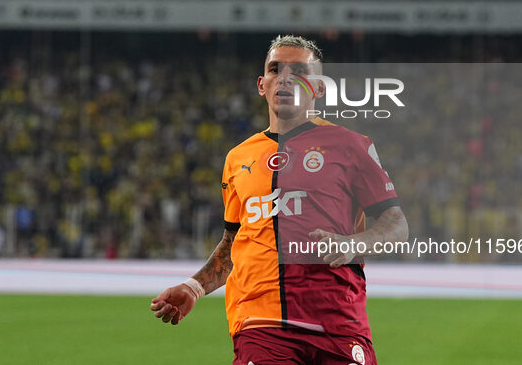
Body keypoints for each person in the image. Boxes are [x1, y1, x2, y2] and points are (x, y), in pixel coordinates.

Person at [150, 35, 408, 365]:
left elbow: (396, 224)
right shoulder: (237, 158)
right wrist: (194, 287)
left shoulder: (351, 147)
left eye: (299, 70)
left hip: (339, 323)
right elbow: (234, 240)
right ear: (262, 84)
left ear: (319, 88)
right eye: (275, 69)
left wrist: (355, 242)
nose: (285, 78)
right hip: (262, 325)